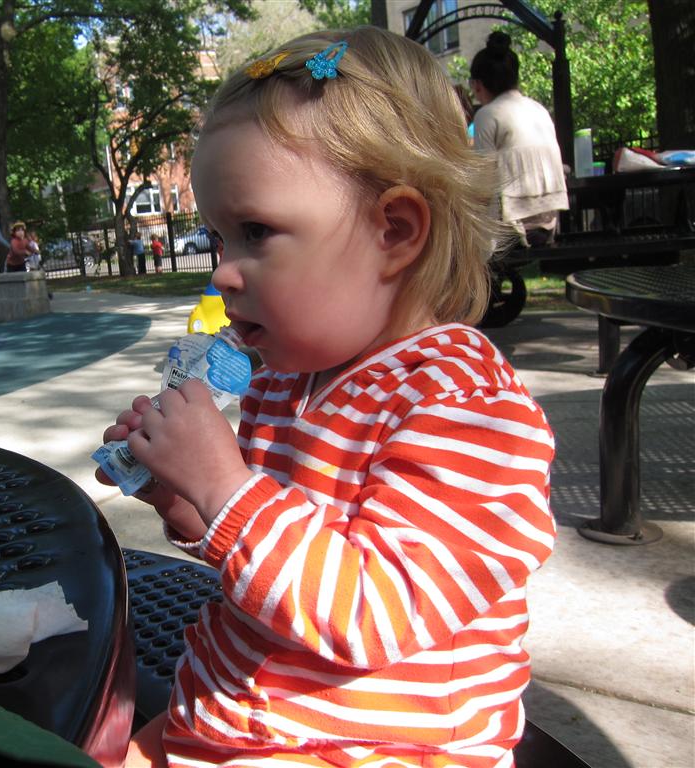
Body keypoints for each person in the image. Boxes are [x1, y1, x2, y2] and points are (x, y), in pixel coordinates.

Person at [100, 27, 556, 768]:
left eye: (255, 232)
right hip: (238, 720)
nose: (222, 272)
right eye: (218, 238)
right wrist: (185, 500)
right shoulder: (284, 380)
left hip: (376, 747)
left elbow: (372, 613)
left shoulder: (465, 408)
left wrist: (225, 488)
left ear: (394, 232)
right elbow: (273, 569)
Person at [470, 31, 568, 247]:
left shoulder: (487, 114)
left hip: (513, 227)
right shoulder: (539, 110)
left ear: (477, 84)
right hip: (549, 222)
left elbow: (484, 180)